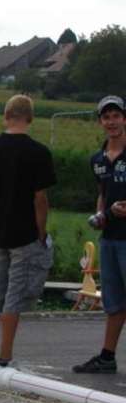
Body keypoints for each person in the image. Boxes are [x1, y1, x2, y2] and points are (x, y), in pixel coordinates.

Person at [0, 94, 56, 367]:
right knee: (14, 295)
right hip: (24, 233)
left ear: (6, 115)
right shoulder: (39, 153)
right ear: (30, 118)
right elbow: (40, 199)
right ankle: (5, 354)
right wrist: (41, 230)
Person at [73, 95, 126, 374]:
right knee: (114, 301)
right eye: (106, 117)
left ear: (124, 119)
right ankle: (107, 357)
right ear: (100, 122)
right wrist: (100, 215)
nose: (111, 122)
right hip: (110, 238)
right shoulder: (98, 159)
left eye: (116, 115)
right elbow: (102, 194)